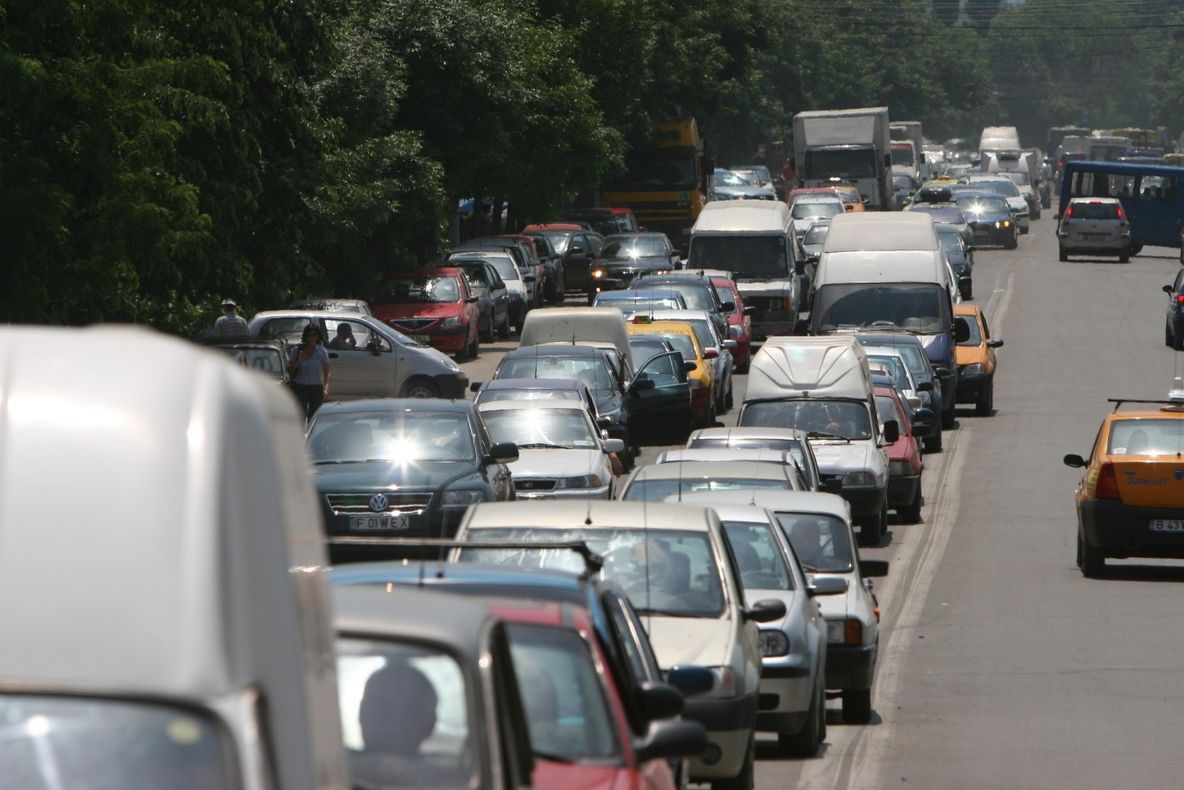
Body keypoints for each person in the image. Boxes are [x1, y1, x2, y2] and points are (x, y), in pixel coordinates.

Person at [352, 661, 440, 787]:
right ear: (362, 712)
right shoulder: (326, 769)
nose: (394, 716)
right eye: (381, 706)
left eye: (408, 709)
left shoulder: (453, 781)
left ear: (430, 724)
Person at [288, 324, 331, 420]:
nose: (311, 338)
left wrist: (326, 390)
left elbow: (327, 373)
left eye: (314, 335)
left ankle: (311, 435)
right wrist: (299, 360)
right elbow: (289, 370)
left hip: (316, 387)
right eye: (309, 335)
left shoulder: (322, 351)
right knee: (300, 415)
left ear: (317, 336)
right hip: (300, 386)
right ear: (305, 336)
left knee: (314, 417)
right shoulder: (297, 350)